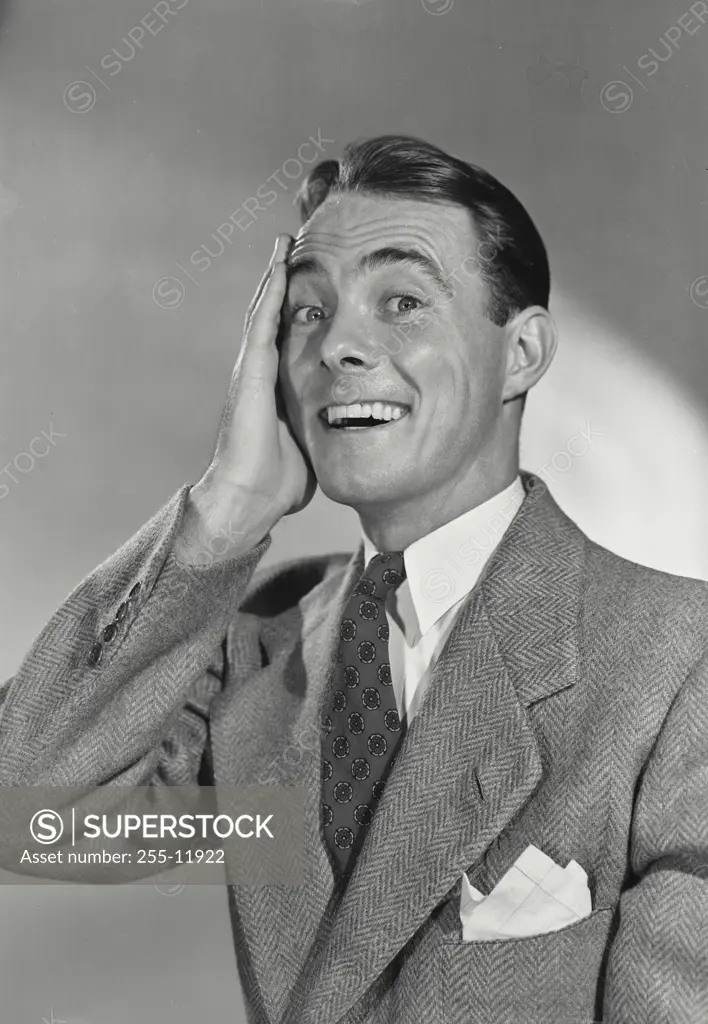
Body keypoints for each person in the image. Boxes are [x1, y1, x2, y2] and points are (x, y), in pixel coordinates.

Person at [1, 135, 707, 1024]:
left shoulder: (680, 661)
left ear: (522, 354)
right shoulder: (260, 643)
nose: (338, 345)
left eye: (402, 300)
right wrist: (227, 512)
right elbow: (32, 820)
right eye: (304, 313)